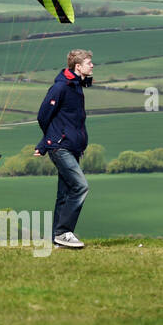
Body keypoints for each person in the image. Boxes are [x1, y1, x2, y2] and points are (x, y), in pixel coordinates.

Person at [34, 49, 94, 249]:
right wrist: (48, 142)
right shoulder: (61, 88)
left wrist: (44, 144)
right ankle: (63, 233)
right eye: (88, 63)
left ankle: (57, 240)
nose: (92, 66)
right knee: (81, 186)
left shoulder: (76, 86)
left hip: (71, 147)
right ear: (78, 67)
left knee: (65, 193)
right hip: (60, 147)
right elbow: (43, 116)